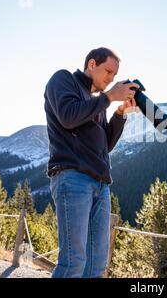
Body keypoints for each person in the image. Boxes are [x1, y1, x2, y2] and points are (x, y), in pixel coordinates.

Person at [43, 47, 139, 278]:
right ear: (92, 64)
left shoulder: (98, 102)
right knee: (74, 261)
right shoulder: (63, 79)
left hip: (101, 184)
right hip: (72, 178)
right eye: (108, 71)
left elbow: (104, 145)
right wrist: (108, 97)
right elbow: (68, 116)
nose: (111, 79)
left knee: (96, 265)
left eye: (115, 76)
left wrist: (119, 114)